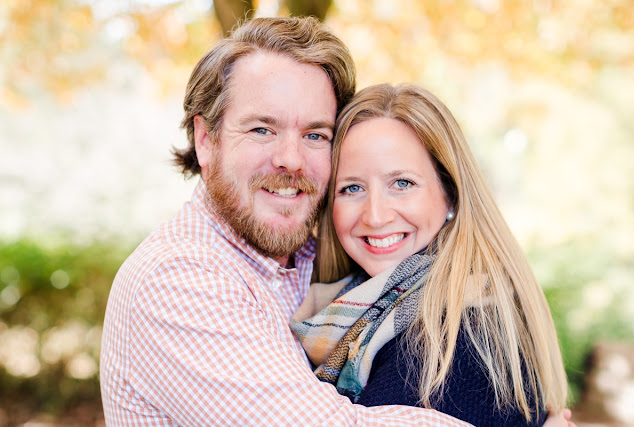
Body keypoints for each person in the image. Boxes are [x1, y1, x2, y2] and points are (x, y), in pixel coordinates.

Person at [100, 16, 472, 426]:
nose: (291, 159)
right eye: (262, 129)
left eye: (315, 135)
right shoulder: (175, 280)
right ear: (206, 140)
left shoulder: (326, 261)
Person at [291, 83, 570, 426]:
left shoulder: (451, 339)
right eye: (352, 188)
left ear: (450, 194)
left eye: (402, 183)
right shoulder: (362, 309)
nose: (375, 215)